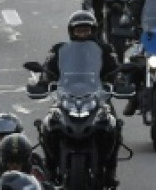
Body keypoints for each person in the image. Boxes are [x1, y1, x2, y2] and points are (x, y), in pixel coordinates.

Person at [35, 12, 121, 185]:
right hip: (66, 95)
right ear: (71, 32)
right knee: (48, 125)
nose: (82, 34)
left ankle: (110, 170)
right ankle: (50, 168)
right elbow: (48, 69)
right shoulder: (58, 50)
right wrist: (43, 81)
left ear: (93, 31)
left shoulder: (105, 50)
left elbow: (115, 70)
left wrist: (119, 81)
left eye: (86, 30)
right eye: (79, 31)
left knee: (114, 125)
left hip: (98, 96)